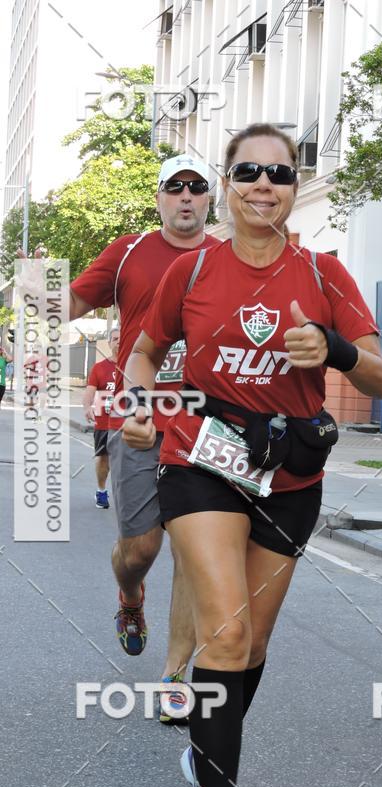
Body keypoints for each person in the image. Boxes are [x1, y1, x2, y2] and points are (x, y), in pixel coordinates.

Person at [122, 123, 382, 787]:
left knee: (251, 647)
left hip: (292, 471)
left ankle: (207, 742)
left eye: (279, 174)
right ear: (227, 186)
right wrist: (137, 404)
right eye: (248, 173)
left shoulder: (324, 273)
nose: (264, 185)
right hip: (202, 458)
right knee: (227, 630)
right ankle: (219, 786)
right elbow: (145, 351)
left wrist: (333, 348)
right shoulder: (194, 269)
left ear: (295, 190)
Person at [68, 155, 220, 716]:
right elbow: (73, 301)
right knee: (141, 549)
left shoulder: (225, 257)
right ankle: (130, 596)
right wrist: (33, 288)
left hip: (205, 424)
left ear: (210, 199)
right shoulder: (129, 251)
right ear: (158, 198)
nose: (185, 196)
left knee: (190, 550)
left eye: (196, 188)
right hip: (138, 421)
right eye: (174, 187)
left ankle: (175, 678)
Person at [82, 328, 120, 509]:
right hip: (105, 423)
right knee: (103, 458)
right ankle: (101, 491)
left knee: (126, 462)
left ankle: (125, 496)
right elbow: (89, 392)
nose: (118, 341)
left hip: (128, 423)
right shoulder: (99, 368)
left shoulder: (135, 365)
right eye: (114, 338)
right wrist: (87, 407)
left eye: (121, 338)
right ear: (109, 342)